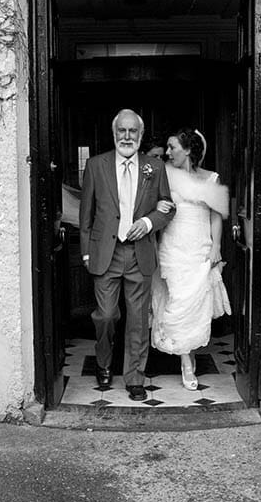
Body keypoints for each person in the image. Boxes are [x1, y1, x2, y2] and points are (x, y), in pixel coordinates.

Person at [79, 110, 175, 401]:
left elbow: (168, 206)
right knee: (106, 315)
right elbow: (86, 215)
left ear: (141, 135)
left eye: (133, 131)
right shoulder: (96, 165)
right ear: (114, 133)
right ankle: (104, 362)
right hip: (105, 252)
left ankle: (135, 377)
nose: (127, 136)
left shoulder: (154, 167)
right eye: (122, 131)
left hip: (139, 253)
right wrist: (85, 254)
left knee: (137, 319)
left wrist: (147, 223)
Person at [151, 128, 231, 390]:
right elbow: (155, 205)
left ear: (187, 150)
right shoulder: (167, 176)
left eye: (173, 147)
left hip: (199, 247)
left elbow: (216, 213)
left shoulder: (210, 178)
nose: (168, 152)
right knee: (177, 303)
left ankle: (189, 352)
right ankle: (186, 363)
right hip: (173, 247)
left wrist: (216, 245)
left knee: (194, 307)